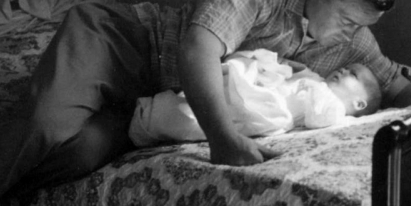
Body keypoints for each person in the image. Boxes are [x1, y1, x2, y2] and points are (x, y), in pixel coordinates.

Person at [0, 0, 411, 203]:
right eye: (347, 21)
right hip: (122, 43)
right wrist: (223, 138)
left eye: (361, 28)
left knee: (78, 155)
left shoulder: (348, 41)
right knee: (44, 127)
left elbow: (397, 85)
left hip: (153, 102)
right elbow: (197, 48)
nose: (352, 36)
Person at [128, 49, 382, 146]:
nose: (343, 70)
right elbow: (294, 71)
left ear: (358, 103)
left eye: (353, 75)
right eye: (346, 67)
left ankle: (147, 120)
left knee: (193, 120)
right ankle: (150, 110)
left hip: (265, 111)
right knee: (218, 87)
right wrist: (281, 67)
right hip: (262, 90)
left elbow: (318, 118)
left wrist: (314, 87)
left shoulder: (335, 109)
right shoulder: (317, 78)